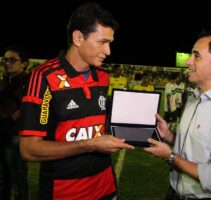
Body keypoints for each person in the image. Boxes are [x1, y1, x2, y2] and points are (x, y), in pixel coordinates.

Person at [19, 3, 134, 200]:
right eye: (102, 42)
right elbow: (29, 149)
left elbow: (98, 126)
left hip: (106, 189)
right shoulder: (44, 77)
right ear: (78, 38)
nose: (108, 51)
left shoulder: (103, 77)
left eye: (110, 43)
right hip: (65, 193)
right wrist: (88, 145)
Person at [144, 31, 211, 200]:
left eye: (196, 56)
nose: (188, 61)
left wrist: (170, 156)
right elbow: (192, 147)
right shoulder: (194, 98)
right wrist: (168, 135)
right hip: (173, 193)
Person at [0, 45, 29, 200]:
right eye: (5, 59)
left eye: (12, 60)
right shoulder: (5, 80)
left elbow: (9, 109)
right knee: (4, 178)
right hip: (3, 133)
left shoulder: (27, 81)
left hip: (15, 136)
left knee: (17, 179)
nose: (7, 62)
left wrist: (10, 111)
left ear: (24, 63)